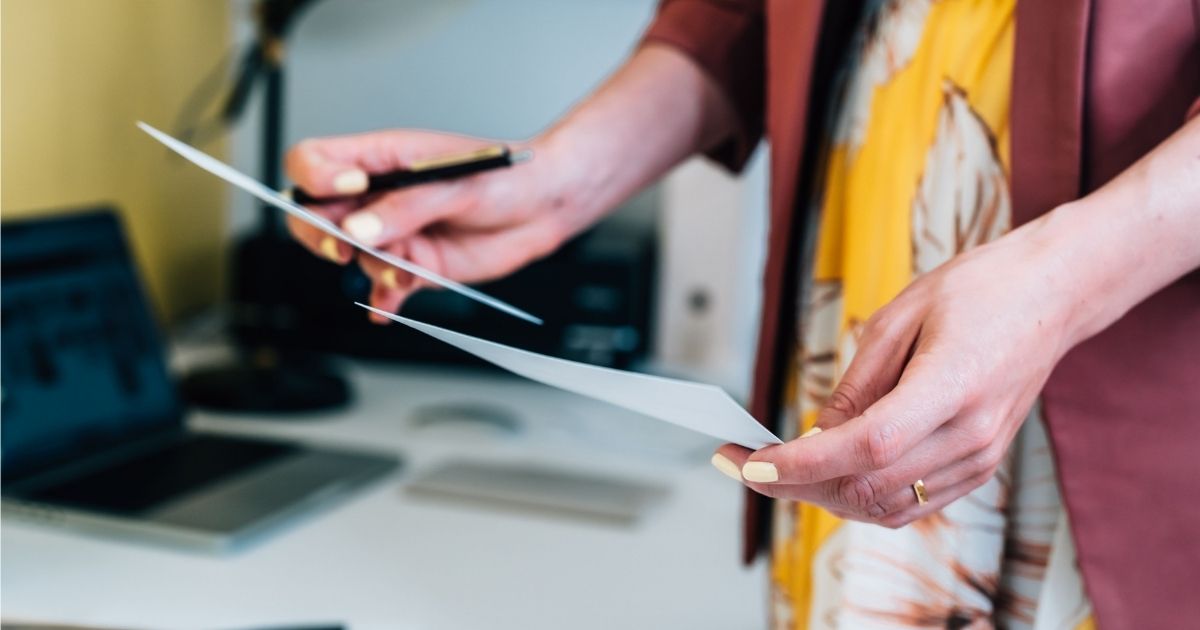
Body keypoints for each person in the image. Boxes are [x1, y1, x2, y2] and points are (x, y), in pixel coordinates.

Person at [285, 1, 1199, 627]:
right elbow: (744, 16)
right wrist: (559, 179)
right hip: (854, 293)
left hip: (1120, 368)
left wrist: (1062, 280)